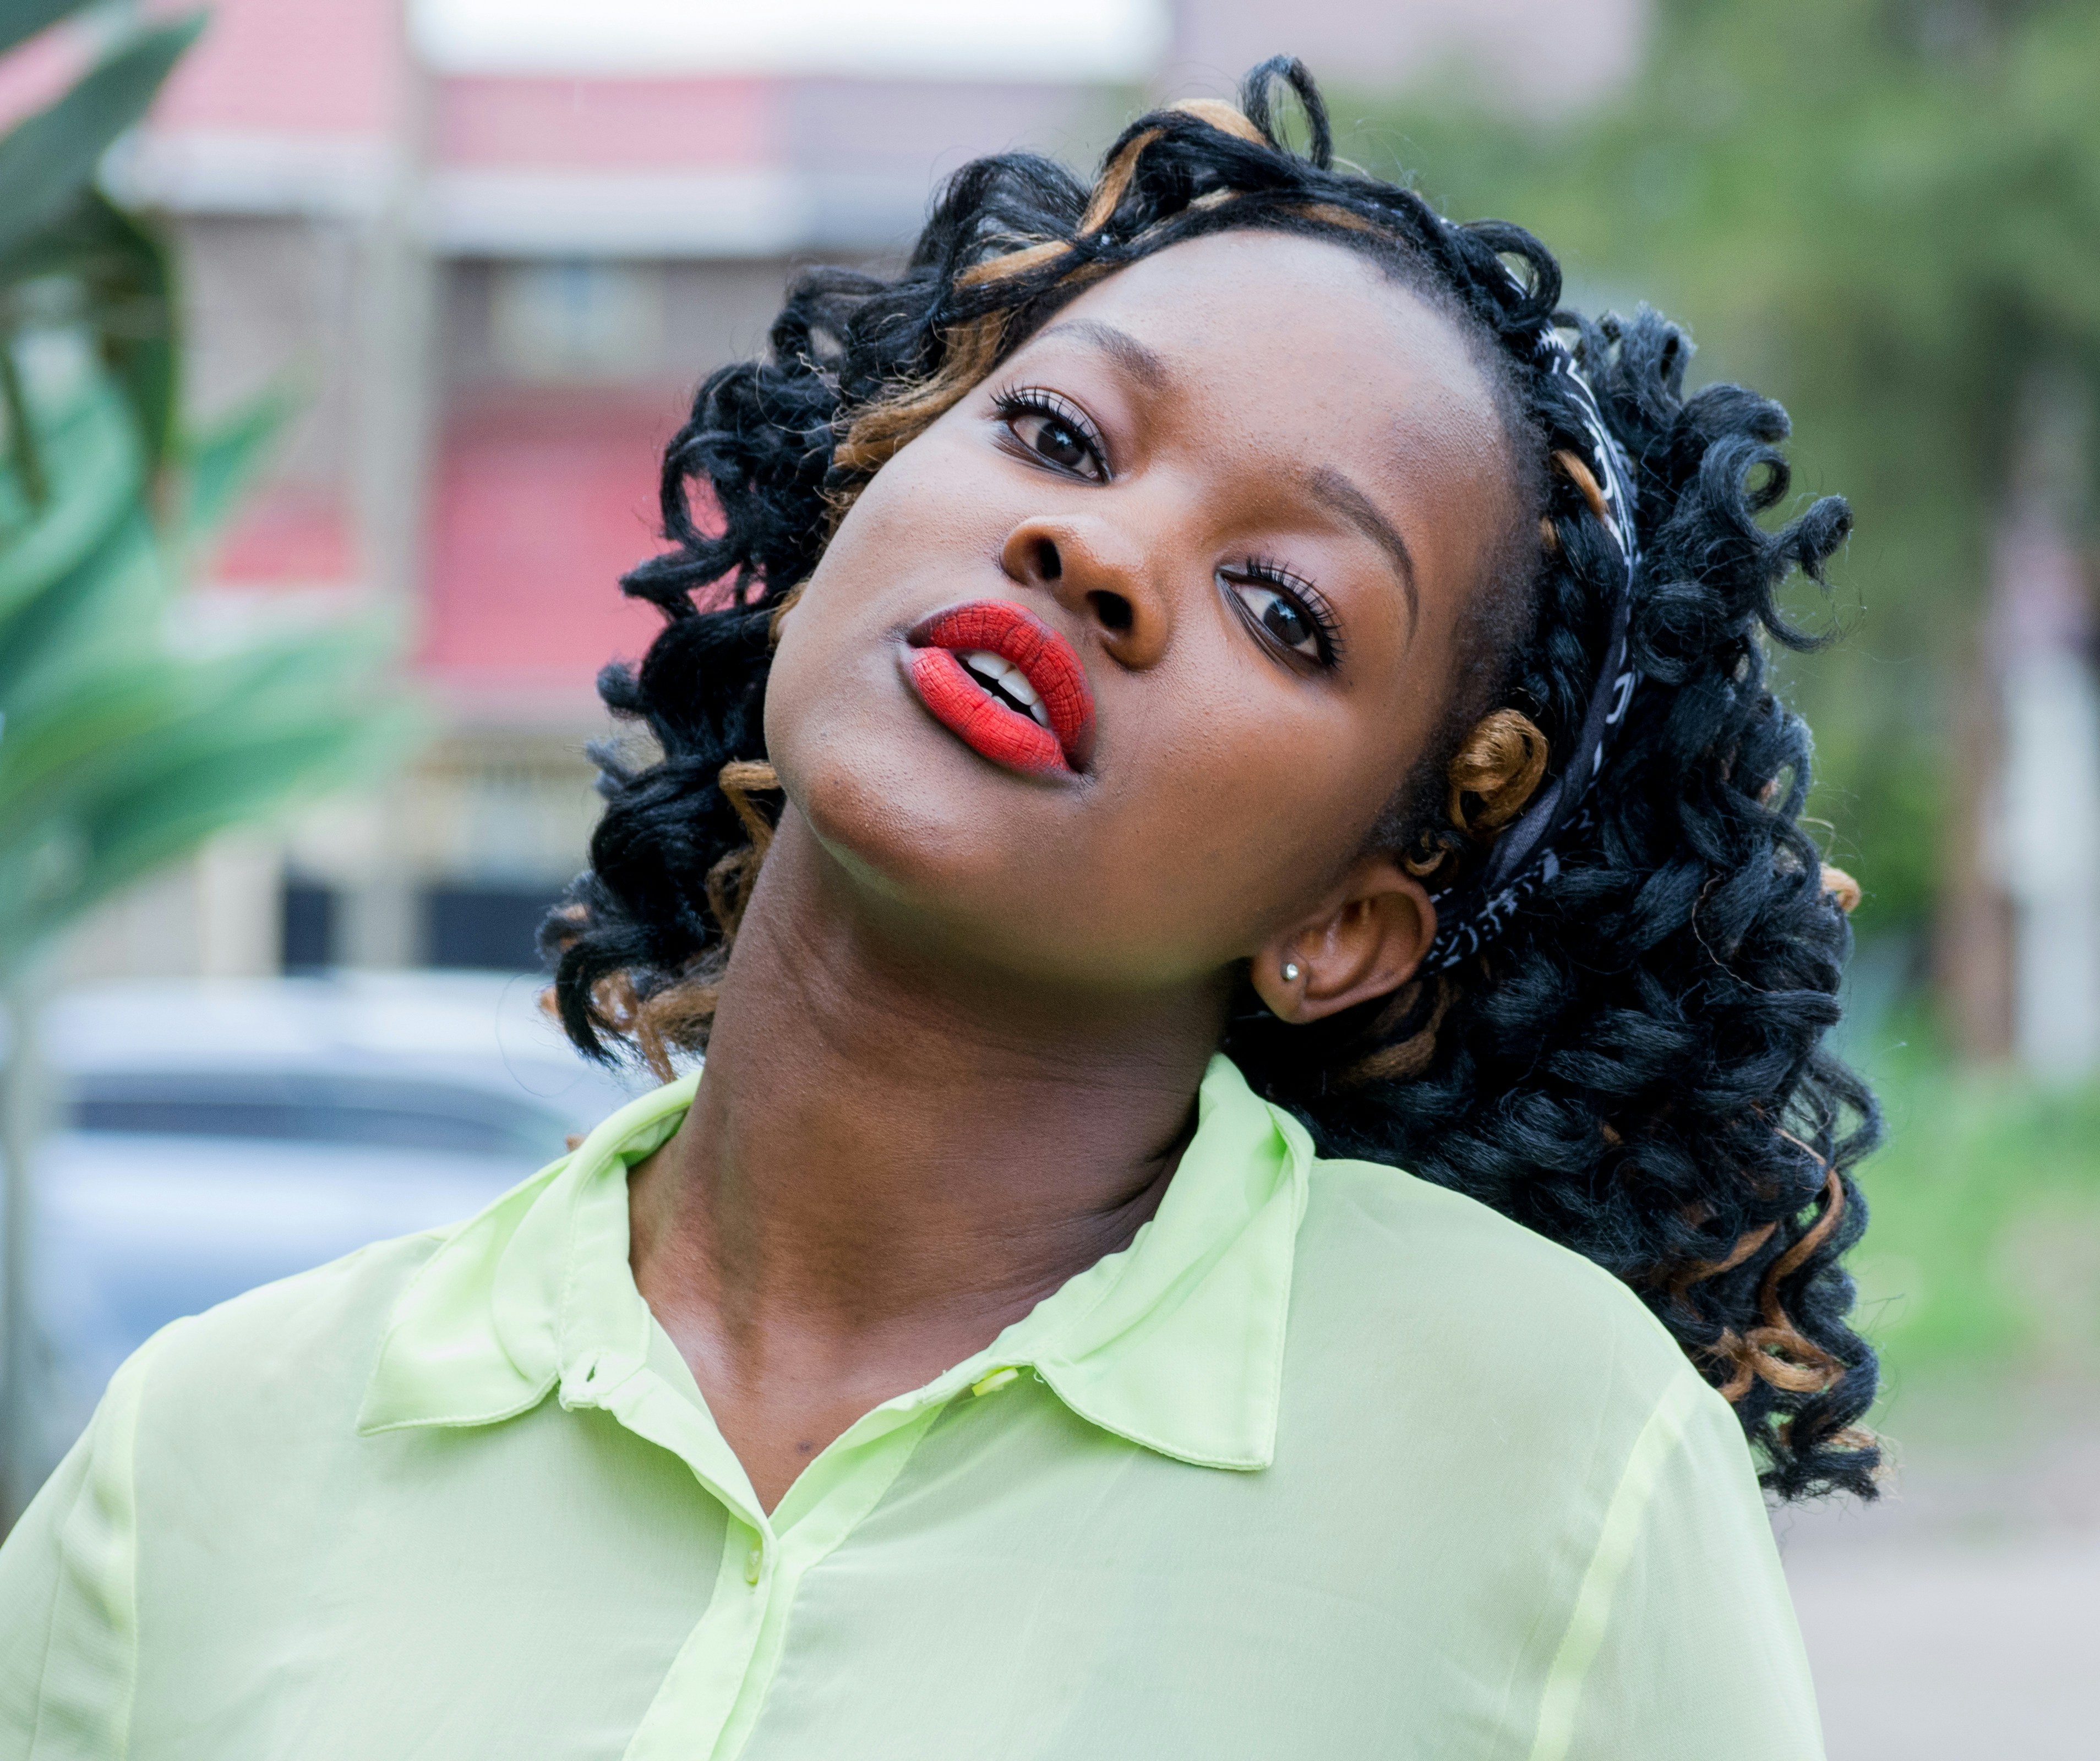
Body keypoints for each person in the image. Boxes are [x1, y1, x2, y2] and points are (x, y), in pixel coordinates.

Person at [0, 59, 1877, 1759]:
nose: (1099, 550)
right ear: (868, 484)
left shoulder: (1548, 1466)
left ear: (1355, 916)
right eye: (1060, 436)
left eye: (1285, 606)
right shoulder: (211, 1453)